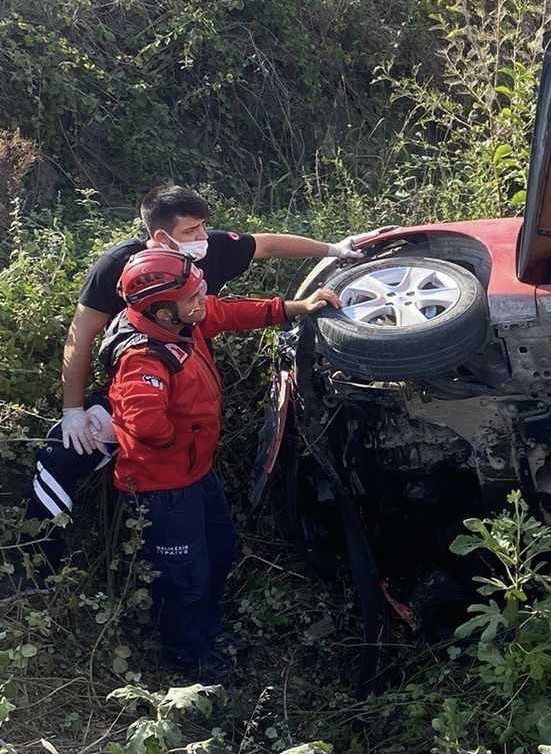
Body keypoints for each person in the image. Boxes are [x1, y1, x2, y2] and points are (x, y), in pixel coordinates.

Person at [11, 184, 382, 586]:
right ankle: (36, 565)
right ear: (160, 238)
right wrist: (74, 411)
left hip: (191, 375)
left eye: (204, 226)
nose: (202, 239)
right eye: (191, 231)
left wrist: (333, 248)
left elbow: (262, 251)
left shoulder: (208, 253)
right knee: (59, 456)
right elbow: (80, 337)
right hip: (138, 385)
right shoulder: (119, 267)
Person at [106, 247, 339, 676]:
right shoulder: (142, 358)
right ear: (161, 311)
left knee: (219, 550)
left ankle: (207, 630)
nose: (202, 301)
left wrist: (296, 308)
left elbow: (229, 312)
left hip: (196, 473)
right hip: (164, 489)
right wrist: (183, 438)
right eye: (193, 296)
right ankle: (187, 657)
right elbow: (142, 420)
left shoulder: (183, 322)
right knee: (182, 576)